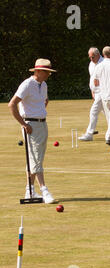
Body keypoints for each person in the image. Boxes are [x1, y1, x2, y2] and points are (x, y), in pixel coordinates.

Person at [8, 58, 58, 204]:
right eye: (46, 72)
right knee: (35, 158)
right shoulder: (27, 84)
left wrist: (40, 112)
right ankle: (44, 189)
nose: (49, 74)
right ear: (38, 71)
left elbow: (45, 101)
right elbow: (12, 104)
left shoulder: (44, 85)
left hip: (42, 124)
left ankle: (29, 190)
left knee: (35, 158)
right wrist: (24, 124)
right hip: (30, 125)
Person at [79, 47, 110, 141]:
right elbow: (92, 80)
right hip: (98, 93)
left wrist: (98, 91)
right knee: (109, 115)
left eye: (93, 57)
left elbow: (103, 81)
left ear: (98, 55)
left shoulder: (103, 63)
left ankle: (89, 134)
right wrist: (92, 91)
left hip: (103, 93)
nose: (91, 59)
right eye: (89, 57)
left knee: (94, 111)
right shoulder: (91, 64)